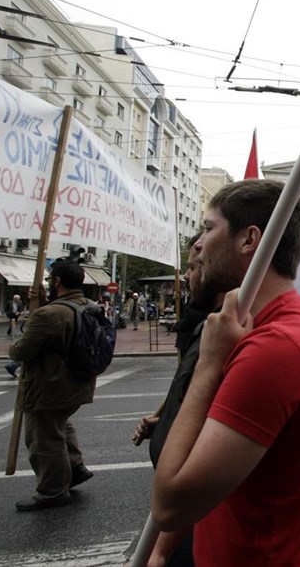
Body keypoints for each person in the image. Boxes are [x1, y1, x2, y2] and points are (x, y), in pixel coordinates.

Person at [151, 179, 300, 565]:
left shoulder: (276, 349)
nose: (198, 244)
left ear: (249, 240)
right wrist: (160, 551)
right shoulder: (254, 329)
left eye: (208, 228)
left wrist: (209, 364)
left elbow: (171, 504)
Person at [132, 236, 215, 566]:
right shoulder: (205, 325)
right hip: (182, 522)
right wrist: (164, 421)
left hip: (191, 524)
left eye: (196, 267)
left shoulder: (226, 334)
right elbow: (188, 392)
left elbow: (199, 472)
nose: (187, 275)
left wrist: (162, 548)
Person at [9, 259, 96, 511]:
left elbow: (21, 350)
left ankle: (52, 492)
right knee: (61, 425)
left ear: (57, 281)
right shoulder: (87, 305)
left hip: (50, 386)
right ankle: (75, 468)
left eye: (50, 279)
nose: (48, 282)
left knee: (44, 439)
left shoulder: (48, 314)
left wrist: (35, 313)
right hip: (78, 384)